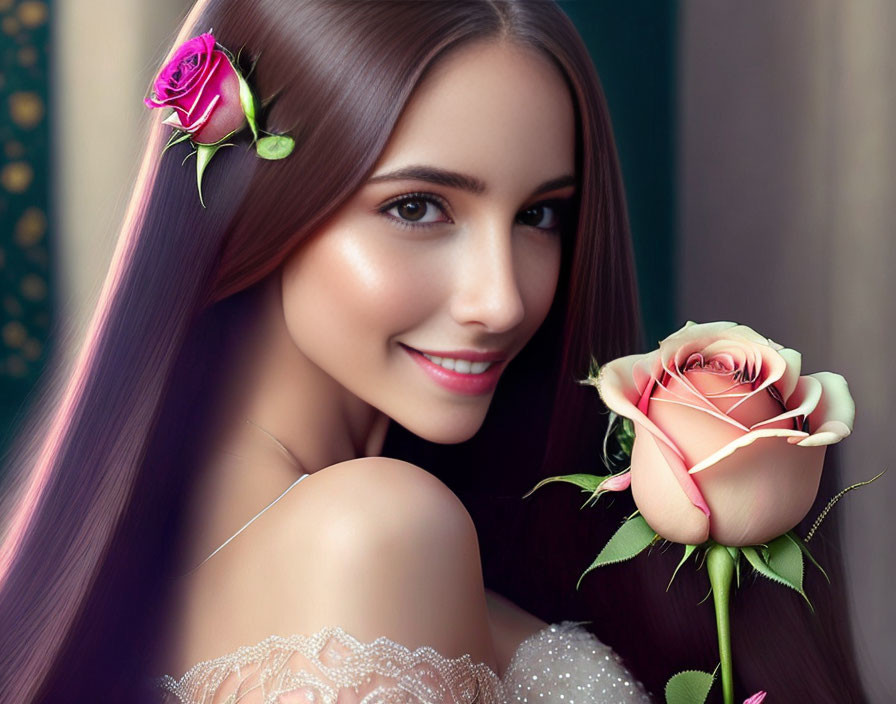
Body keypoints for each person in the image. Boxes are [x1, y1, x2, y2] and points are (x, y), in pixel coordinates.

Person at [0, 1, 868, 702]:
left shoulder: (171, 564)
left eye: (540, 214)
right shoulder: (375, 531)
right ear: (253, 199)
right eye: (418, 207)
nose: (504, 299)